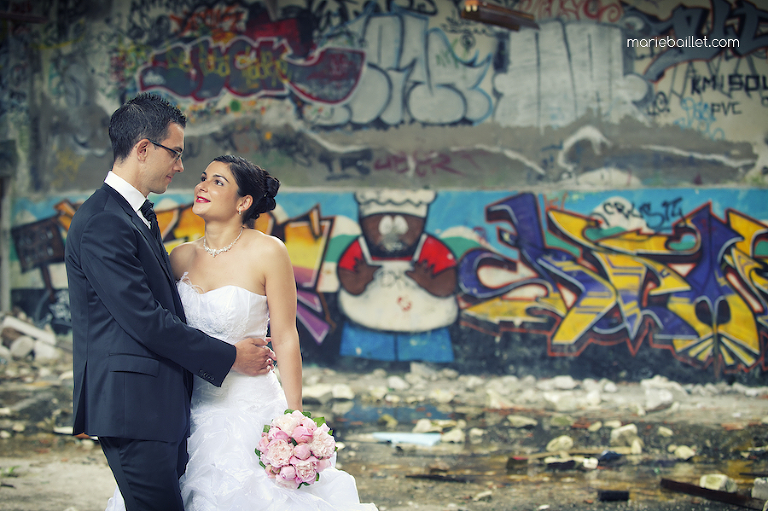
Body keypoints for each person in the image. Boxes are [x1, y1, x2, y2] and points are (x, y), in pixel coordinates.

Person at [106, 155, 376, 510]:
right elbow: (162, 330)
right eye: (203, 178)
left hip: (249, 405)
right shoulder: (178, 258)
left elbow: (286, 336)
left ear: (243, 202)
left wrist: (294, 419)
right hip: (187, 406)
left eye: (218, 182)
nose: (201, 186)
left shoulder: (268, 251)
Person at [65, 93, 276, 511]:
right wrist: (229, 355)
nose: (181, 168)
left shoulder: (133, 214)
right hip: (132, 405)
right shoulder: (105, 221)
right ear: (144, 149)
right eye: (176, 154)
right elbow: (145, 320)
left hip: (158, 404)